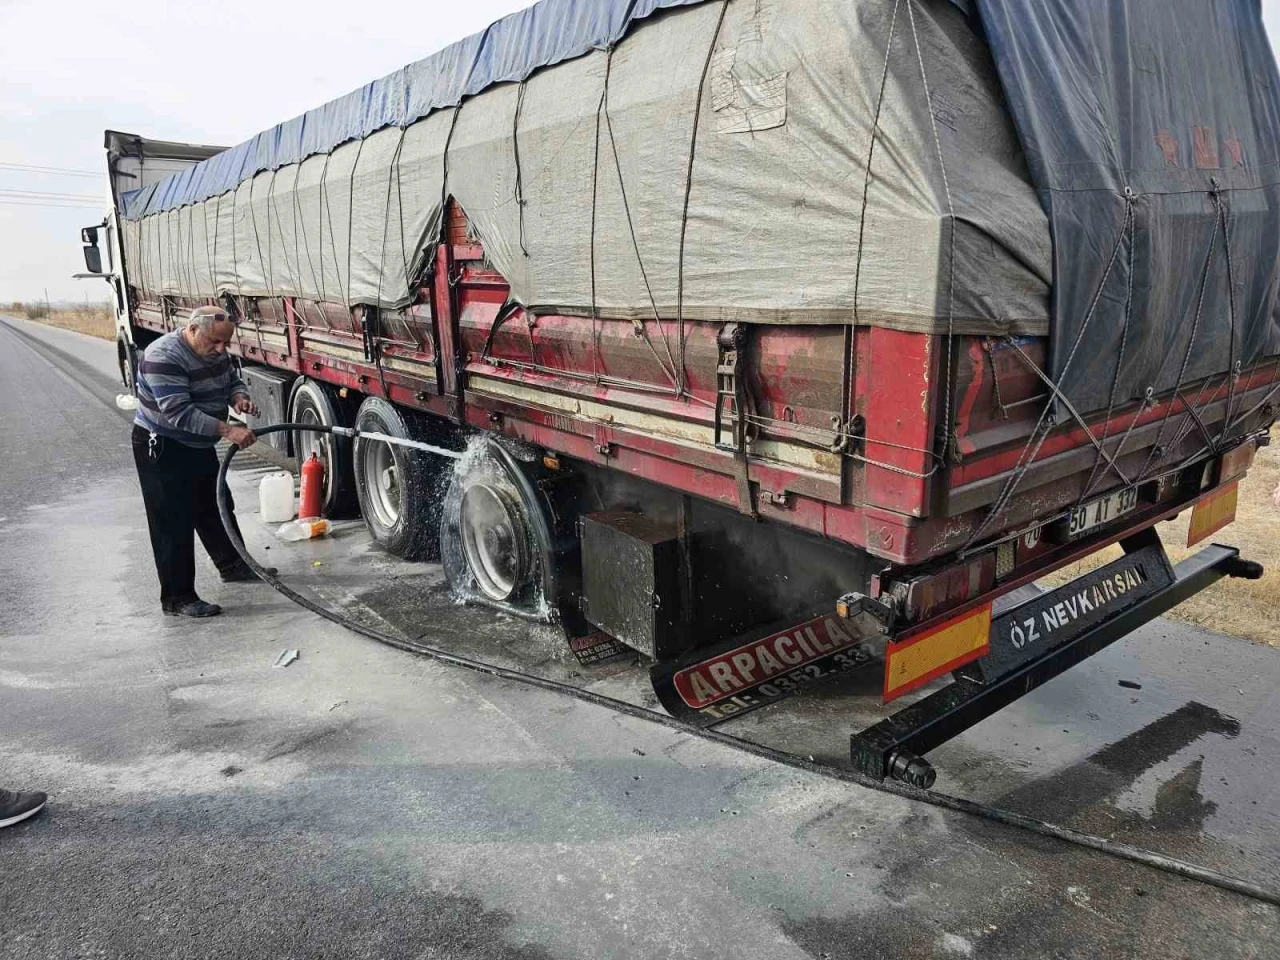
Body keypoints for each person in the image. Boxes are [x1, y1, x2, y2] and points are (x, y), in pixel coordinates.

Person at [132, 305, 273, 618]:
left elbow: (231, 378)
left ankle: (234, 565)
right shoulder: (163, 357)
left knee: (215, 505)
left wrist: (238, 397)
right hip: (164, 445)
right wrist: (228, 430)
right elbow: (179, 413)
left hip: (197, 444)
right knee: (172, 521)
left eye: (226, 344)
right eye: (215, 342)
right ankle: (178, 598)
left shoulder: (214, 348)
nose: (221, 350)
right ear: (192, 329)